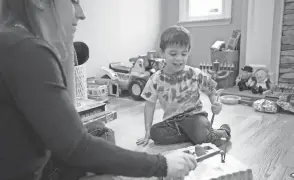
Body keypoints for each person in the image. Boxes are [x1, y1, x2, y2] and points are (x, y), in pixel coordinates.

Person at [0, 1, 197, 180]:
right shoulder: (28, 50)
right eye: (73, 1)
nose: (81, 13)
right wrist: (161, 165)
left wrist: (63, 43)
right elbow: (76, 146)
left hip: (38, 157)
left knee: (101, 131)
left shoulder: (13, 39)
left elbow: (65, 122)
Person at [136, 25, 231, 147]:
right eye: (173, 54)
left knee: (201, 136)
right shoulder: (155, 79)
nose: (179, 58)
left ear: (188, 53)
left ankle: (223, 131)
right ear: (163, 53)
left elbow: (212, 91)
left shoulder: (195, 73)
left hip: (195, 117)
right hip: (172, 122)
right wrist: (147, 130)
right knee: (155, 133)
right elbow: (149, 105)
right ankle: (194, 135)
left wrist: (215, 103)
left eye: (183, 54)